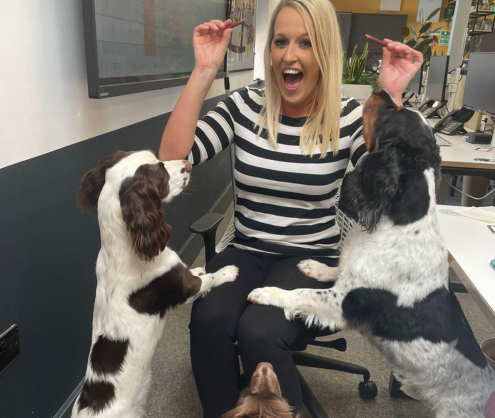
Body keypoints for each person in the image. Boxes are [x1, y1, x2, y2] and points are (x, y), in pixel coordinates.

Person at [159, 1, 423, 416]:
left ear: (324, 53)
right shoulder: (243, 106)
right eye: (280, 41)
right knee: (208, 321)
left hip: (310, 257)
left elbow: (393, 187)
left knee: (259, 331)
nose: (290, 55)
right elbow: (171, 162)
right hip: (247, 247)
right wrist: (203, 72)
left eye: (306, 42)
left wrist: (389, 98)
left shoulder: (348, 116)